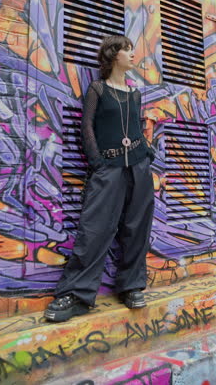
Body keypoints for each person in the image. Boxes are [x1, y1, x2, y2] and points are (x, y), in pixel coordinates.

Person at [44, 35, 155, 322]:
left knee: (136, 229)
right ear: (112, 54)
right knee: (94, 229)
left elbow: (137, 128)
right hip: (109, 168)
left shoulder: (135, 94)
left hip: (139, 167)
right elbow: (87, 127)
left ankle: (131, 286)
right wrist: (98, 163)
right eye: (127, 50)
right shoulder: (97, 89)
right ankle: (76, 294)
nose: (133, 54)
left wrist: (148, 154)